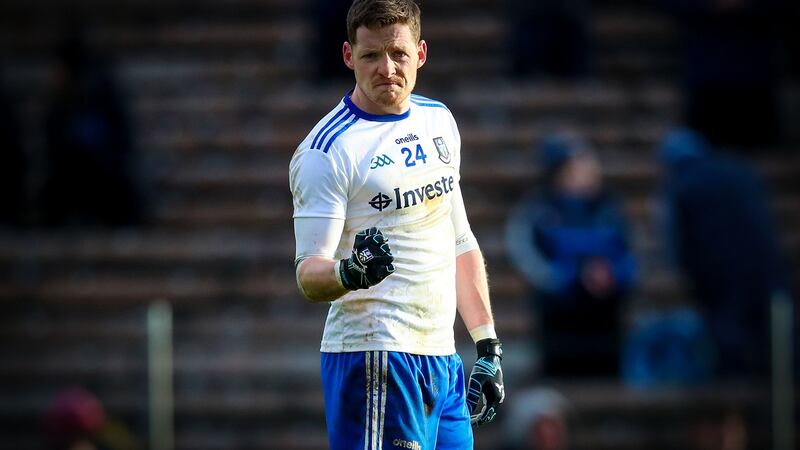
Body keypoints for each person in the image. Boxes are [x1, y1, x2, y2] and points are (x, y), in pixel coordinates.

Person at [289, 1, 505, 448]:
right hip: (374, 355)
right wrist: (350, 272)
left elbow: (459, 238)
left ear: (420, 53)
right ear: (349, 56)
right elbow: (309, 275)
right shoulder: (327, 152)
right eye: (370, 56)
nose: (386, 68)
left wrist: (486, 345)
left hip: (442, 359)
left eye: (398, 53)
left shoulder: (439, 121)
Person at [658, 128, 790, 379]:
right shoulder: (738, 169)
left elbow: (677, 241)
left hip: (719, 275)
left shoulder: (681, 186)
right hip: (764, 263)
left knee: (730, 338)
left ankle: (736, 396)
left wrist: (688, 272)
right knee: (776, 334)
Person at [505, 133, 636, 378]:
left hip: (605, 314)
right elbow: (529, 259)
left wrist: (612, 275)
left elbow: (628, 253)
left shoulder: (609, 208)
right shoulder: (539, 211)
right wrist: (574, 277)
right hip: (560, 314)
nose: (588, 172)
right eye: (577, 167)